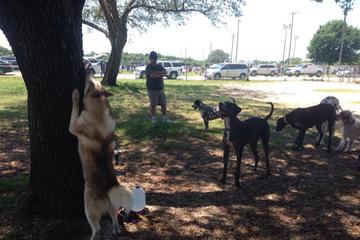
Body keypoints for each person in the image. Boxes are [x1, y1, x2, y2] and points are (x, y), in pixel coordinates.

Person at [145, 51, 170, 123]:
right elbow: (152, 76)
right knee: (153, 104)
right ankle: (153, 118)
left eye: (155, 59)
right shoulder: (148, 67)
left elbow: (165, 73)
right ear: (150, 59)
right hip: (152, 89)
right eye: (153, 59)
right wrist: (160, 73)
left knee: (163, 104)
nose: (154, 60)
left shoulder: (159, 66)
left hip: (160, 88)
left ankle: (164, 118)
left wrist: (157, 73)